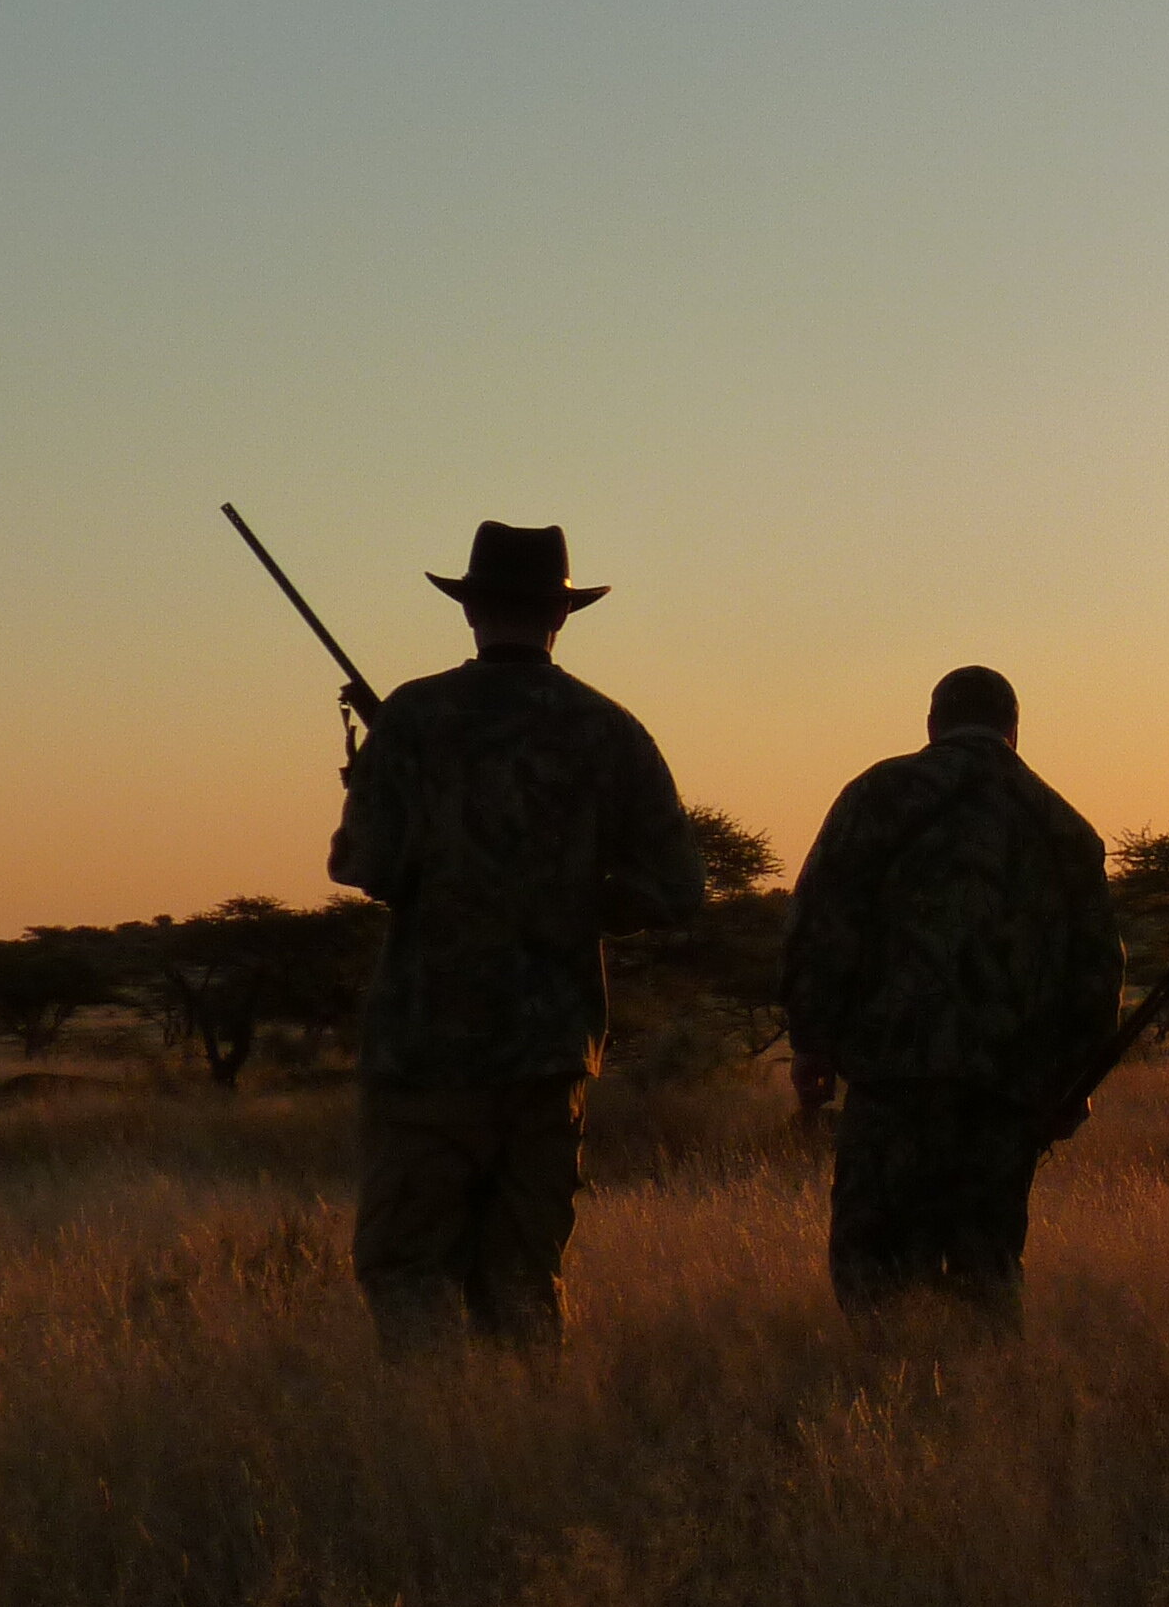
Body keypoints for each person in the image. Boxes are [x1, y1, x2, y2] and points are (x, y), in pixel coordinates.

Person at [327, 521, 702, 1355]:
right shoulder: (611, 729)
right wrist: (575, 899)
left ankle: (437, 1457)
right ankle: (524, 1448)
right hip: (550, 1052)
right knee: (526, 1280)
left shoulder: (416, 717)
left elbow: (364, 865)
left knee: (410, 1271)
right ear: (560, 617)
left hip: (426, 1050)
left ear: (471, 611)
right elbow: (678, 888)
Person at [782, 667, 1120, 1329]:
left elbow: (820, 921)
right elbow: (1098, 967)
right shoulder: (1062, 824)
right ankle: (983, 1406)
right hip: (1008, 1088)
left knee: (873, 1259)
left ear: (932, 725)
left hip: (891, 1077)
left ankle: (886, 1399)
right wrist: (1075, 1080)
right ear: (1014, 731)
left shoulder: (879, 794)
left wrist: (811, 1039)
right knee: (987, 1263)